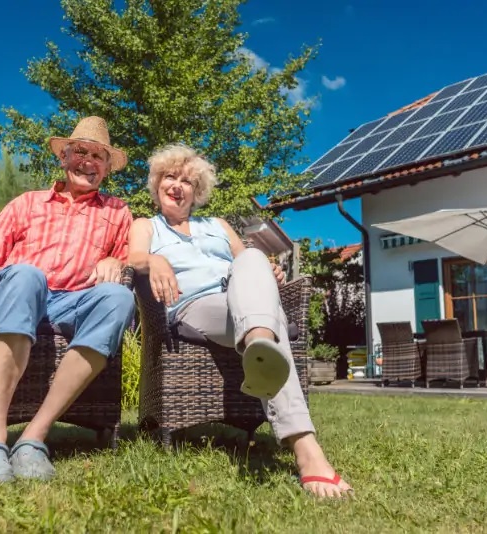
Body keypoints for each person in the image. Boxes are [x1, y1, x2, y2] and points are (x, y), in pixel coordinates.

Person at [126, 143, 353, 499]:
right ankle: (306, 449)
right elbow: (134, 257)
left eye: (187, 181)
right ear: (157, 185)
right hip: (193, 307)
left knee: (253, 259)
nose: (177, 185)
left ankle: (259, 343)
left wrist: (267, 270)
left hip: (240, 304)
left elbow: (245, 262)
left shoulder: (216, 225)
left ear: (197, 192)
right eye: (170, 177)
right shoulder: (146, 226)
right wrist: (155, 261)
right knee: (269, 312)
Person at [0, 116, 136, 485]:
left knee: (118, 297)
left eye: (99, 156)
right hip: (17, 292)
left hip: (72, 303)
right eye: (81, 151)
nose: (88, 161)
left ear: (107, 168)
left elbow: (131, 258)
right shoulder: (27, 203)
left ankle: (34, 436)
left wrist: (116, 260)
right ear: (64, 156)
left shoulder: (118, 212)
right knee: (29, 273)